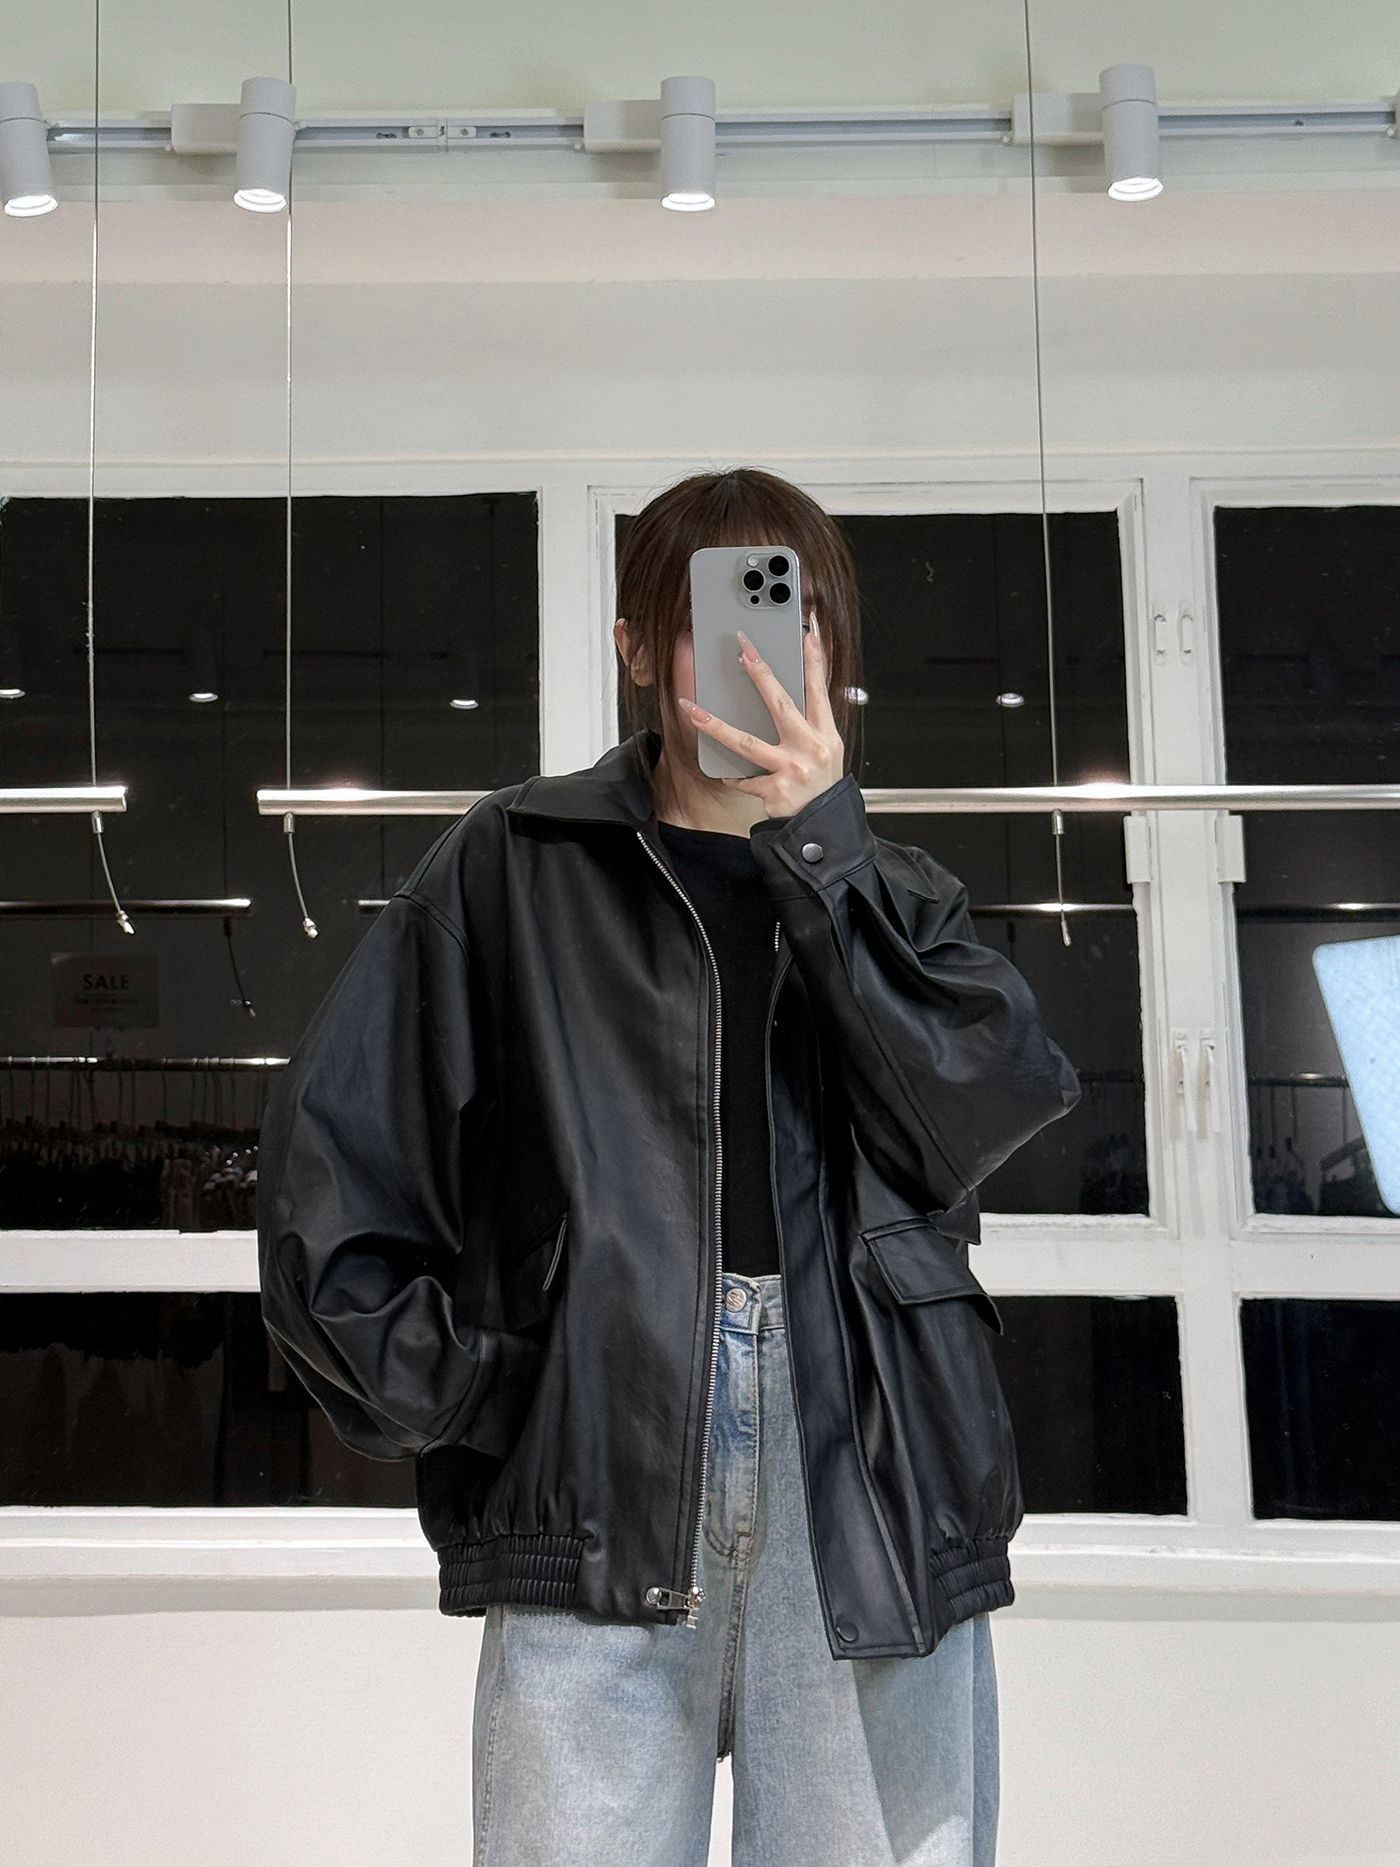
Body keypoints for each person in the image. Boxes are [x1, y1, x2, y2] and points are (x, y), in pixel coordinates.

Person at [258, 467, 1079, 1867]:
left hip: (868, 1486)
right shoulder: (514, 865)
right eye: (715, 614)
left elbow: (975, 1114)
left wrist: (825, 856)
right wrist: (490, 1395)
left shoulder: (894, 894)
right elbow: (329, 1177)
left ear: (831, 650)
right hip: (595, 1474)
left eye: (792, 616)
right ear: (638, 645)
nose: (757, 657)